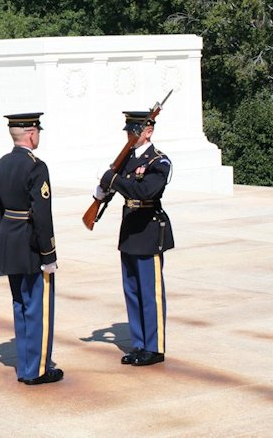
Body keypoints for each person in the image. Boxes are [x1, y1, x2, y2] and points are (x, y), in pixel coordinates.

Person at [0, 113, 63, 385]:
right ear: (32, 134)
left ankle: (25, 366)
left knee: (19, 304)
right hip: (31, 246)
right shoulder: (36, 167)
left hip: (9, 242)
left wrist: (4, 239)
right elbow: (42, 215)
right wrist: (49, 254)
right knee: (37, 308)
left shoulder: (0, 164)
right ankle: (38, 369)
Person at [95, 111, 174, 366]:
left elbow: (145, 190)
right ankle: (139, 344)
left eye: (134, 131)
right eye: (128, 132)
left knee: (150, 292)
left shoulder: (159, 161)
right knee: (132, 291)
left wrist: (114, 179)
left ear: (148, 131)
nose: (130, 136)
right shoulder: (128, 158)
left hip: (148, 231)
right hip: (129, 229)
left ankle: (155, 346)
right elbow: (119, 187)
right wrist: (101, 193)